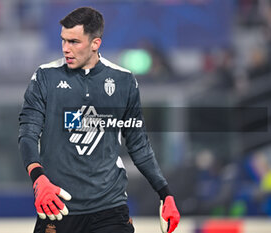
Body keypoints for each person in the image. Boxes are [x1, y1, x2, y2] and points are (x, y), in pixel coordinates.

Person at [18, 7, 180, 233]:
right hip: (59, 208)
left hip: (110, 209)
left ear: (95, 43)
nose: (66, 48)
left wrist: (165, 193)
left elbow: (139, 145)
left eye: (74, 42)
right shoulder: (45, 77)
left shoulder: (123, 81)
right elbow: (27, 133)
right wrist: (38, 178)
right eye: (63, 40)